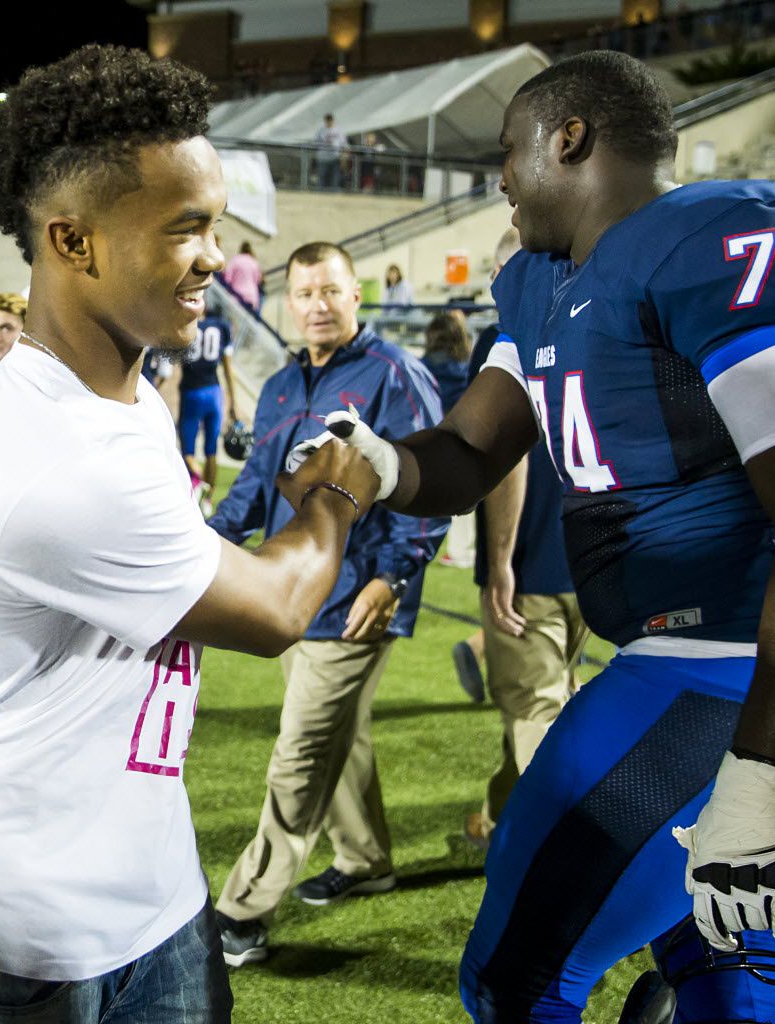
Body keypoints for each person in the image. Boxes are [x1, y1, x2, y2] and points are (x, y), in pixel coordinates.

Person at [0, 44, 378, 1024]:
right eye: (184, 228)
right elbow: (277, 607)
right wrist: (334, 495)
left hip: (149, 886)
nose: (213, 257)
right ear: (73, 242)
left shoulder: (118, 394)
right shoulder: (59, 450)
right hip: (24, 937)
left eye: (215, 226)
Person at [316, 51, 775, 1023]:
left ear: (569, 138)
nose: (497, 180)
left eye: (506, 151)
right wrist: (380, 465)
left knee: (517, 979)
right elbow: (466, 448)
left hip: (724, 671)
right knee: (723, 970)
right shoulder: (539, 283)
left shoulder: (706, 237)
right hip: (671, 656)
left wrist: (761, 769)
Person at [210, 241, 448, 967]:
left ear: (355, 295)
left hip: (355, 598)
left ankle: (240, 911)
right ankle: (368, 858)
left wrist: (395, 576)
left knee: (300, 751)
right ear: (289, 301)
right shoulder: (283, 382)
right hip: (292, 596)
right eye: (305, 292)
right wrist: (207, 541)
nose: (317, 304)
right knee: (339, 739)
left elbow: (429, 478)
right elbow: (256, 481)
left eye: (331, 291)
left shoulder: (394, 375)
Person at [461, 227, 588, 851]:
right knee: (547, 705)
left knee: (538, 717)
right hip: (586, 560)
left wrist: (502, 560)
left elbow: (505, 457)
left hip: (532, 565)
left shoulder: (505, 337)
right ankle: (495, 817)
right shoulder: (592, 321)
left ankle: (543, 859)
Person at [422, 311, 475, 568]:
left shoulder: (420, 369)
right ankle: (460, 551)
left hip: (428, 448)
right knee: (464, 505)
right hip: (465, 446)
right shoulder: (470, 371)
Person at [178, 300, 237, 517]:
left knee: (188, 452)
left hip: (191, 393)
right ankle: (209, 498)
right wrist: (234, 403)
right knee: (212, 451)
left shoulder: (185, 324)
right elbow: (228, 368)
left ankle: (197, 484)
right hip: (214, 393)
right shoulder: (220, 326)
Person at [222, 241, 262, 312]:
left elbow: (227, 278)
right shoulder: (254, 262)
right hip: (251, 297)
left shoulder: (235, 260)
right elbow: (257, 280)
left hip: (237, 296)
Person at [314, 113, 347, 191]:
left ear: (333, 120)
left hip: (335, 158)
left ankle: (333, 197)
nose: (329, 122)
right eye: (327, 120)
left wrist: (344, 155)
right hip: (323, 158)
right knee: (322, 178)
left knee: (335, 179)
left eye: (330, 120)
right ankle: (320, 195)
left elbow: (344, 143)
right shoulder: (321, 131)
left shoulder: (338, 131)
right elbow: (315, 143)